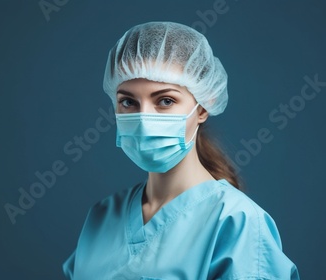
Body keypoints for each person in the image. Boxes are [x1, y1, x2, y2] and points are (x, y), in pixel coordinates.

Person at [62, 22, 299, 280]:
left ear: (202, 107)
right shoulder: (102, 217)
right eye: (128, 102)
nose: (143, 119)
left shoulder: (236, 222)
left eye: (165, 100)